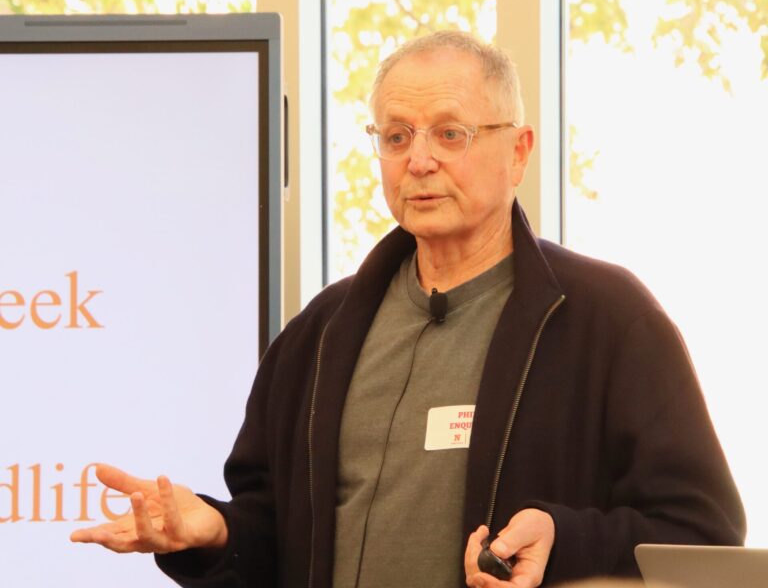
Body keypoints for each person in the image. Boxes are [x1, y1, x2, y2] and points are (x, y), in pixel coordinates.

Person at [70, 31, 745, 588]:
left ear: (518, 151)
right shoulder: (320, 333)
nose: (418, 160)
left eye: (450, 134)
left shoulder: (605, 320)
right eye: (395, 137)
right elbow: (276, 538)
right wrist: (215, 532)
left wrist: (565, 542)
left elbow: (703, 534)